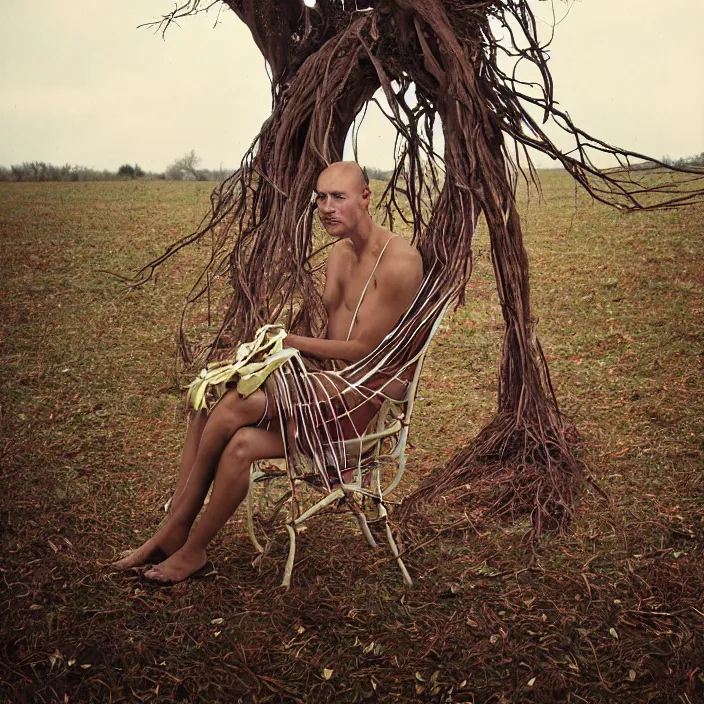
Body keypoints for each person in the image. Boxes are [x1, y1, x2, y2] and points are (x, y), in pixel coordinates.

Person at [112, 161, 423, 583]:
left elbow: (364, 351)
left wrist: (289, 342)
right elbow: (328, 331)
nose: (326, 207)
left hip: (358, 400)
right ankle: (183, 542)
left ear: (366, 197)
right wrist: (262, 355)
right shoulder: (338, 255)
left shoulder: (400, 262)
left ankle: (179, 534)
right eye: (320, 198)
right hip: (325, 388)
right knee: (213, 404)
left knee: (232, 408)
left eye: (339, 197)